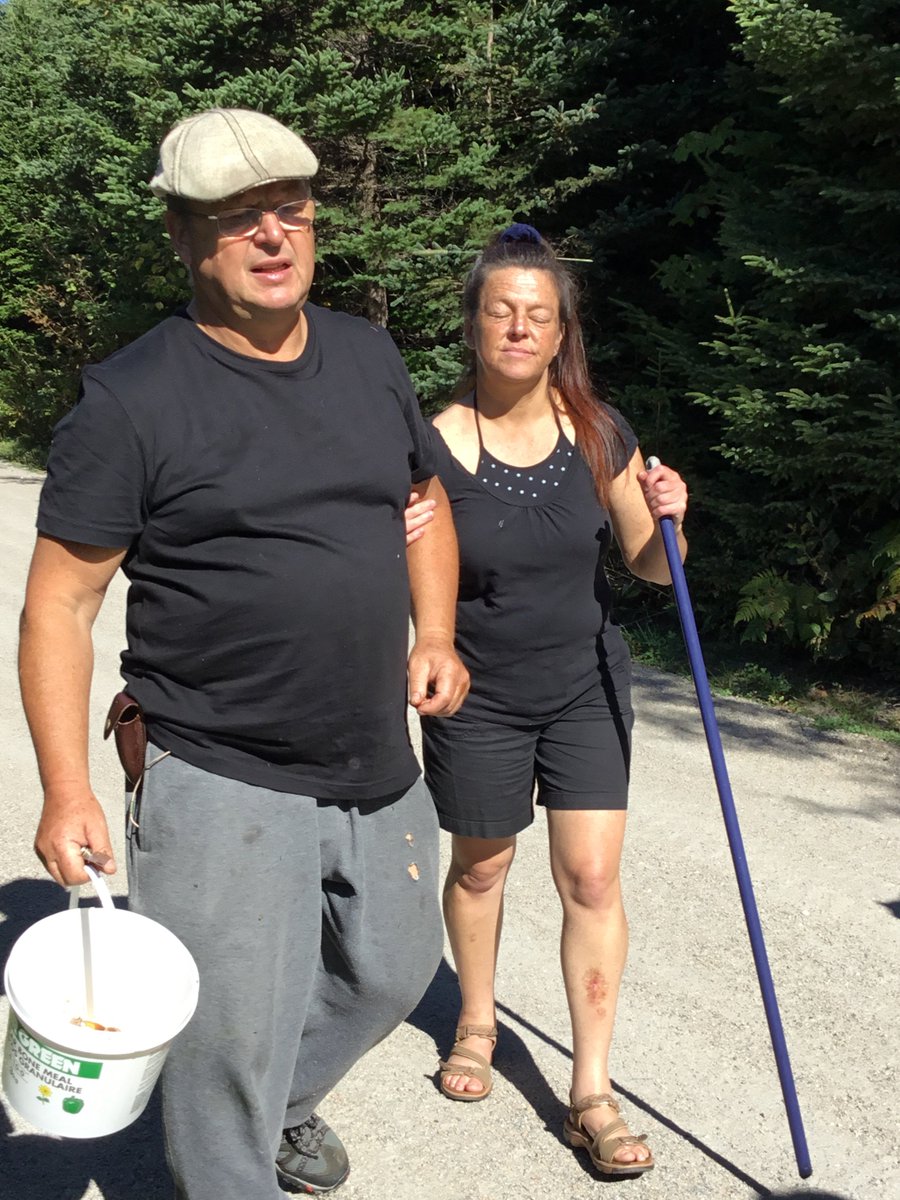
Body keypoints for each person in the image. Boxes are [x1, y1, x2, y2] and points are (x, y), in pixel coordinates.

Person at [19, 107, 469, 1200]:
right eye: (236, 221)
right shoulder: (131, 401)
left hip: (372, 750)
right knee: (224, 1047)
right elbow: (58, 608)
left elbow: (422, 501)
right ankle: (235, 1155)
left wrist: (440, 631)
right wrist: (67, 790)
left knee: (390, 975)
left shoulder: (367, 356)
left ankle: (285, 1110)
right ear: (181, 236)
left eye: (290, 213)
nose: (273, 238)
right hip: (216, 761)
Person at [415, 224, 688, 1176]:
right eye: (502, 311)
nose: (520, 327)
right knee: (483, 869)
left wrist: (671, 520)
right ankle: (479, 1026)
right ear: (475, 324)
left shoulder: (599, 432)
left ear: (561, 329)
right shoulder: (433, 441)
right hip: (478, 693)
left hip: (583, 684)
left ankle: (592, 1090)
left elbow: (655, 570)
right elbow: (406, 572)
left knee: (593, 880)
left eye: (539, 314)